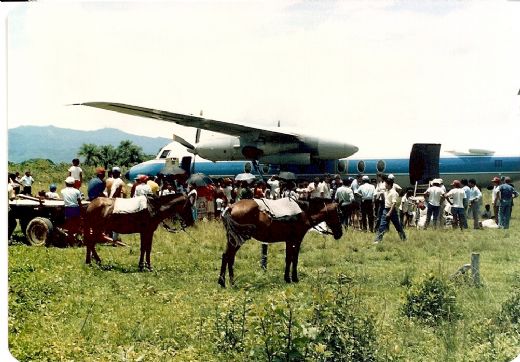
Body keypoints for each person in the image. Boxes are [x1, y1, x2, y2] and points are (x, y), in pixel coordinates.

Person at [374, 178, 406, 243]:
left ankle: (403, 238)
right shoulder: (386, 191)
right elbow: (384, 199)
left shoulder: (394, 193)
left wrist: (389, 213)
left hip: (392, 210)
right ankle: (378, 240)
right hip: (385, 209)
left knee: (397, 226)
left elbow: (394, 203)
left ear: (389, 185)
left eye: (385, 184)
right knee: (382, 225)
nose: (384, 185)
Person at [61, 176, 82, 241]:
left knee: (69, 223)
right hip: (75, 209)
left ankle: (69, 236)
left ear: (66, 183)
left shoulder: (63, 191)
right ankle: (75, 235)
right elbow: (79, 201)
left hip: (67, 209)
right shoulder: (77, 191)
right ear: (73, 184)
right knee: (76, 223)